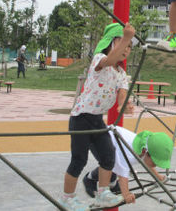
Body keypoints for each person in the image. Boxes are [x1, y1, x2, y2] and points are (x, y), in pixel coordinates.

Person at [59, 22, 135, 211]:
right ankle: (67, 198)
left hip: (96, 120)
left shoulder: (122, 74)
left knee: (109, 155)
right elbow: (109, 60)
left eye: (130, 47)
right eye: (123, 44)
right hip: (81, 118)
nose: (127, 49)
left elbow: (122, 96)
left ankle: (103, 193)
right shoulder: (99, 59)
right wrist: (126, 37)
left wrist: (125, 106)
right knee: (79, 159)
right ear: (110, 42)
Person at [83, 127, 174, 204]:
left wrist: (157, 176)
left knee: (114, 164)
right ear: (145, 152)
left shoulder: (145, 146)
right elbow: (122, 174)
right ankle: (89, 179)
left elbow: (148, 163)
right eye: (155, 162)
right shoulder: (130, 154)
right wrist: (126, 194)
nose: (155, 165)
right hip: (98, 142)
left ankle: (112, 184)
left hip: (112, 142)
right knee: (109, 165)